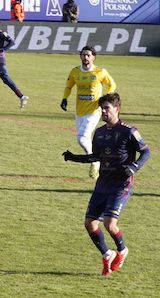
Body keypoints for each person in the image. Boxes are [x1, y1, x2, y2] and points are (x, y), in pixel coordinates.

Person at [62, 93, 150, 276]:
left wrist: (134, 167)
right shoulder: (100, 133)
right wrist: (74, 157)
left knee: (110, 223)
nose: (103, 111)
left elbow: (146, 152)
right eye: (101, 108)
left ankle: (122, 250)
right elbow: (96, 157)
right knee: (90, 223)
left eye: (106, 108)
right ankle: (107, 254)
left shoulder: (129, 131)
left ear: (117, 109)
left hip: (121, 184)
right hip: (102, 184)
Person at [61, 46, 117, 179]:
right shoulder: (75, 71)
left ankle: (95, 161)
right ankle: (96, 160)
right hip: (79, 111)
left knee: (81, 137)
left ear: (93, 57)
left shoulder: (100, 72)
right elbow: (68, 86)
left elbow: (112, 84)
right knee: (84, 138)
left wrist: (107, 96)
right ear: (80, 56)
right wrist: (64, 98)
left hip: (94, 110)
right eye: (83, 55)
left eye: (88, 55)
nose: (86, 57)